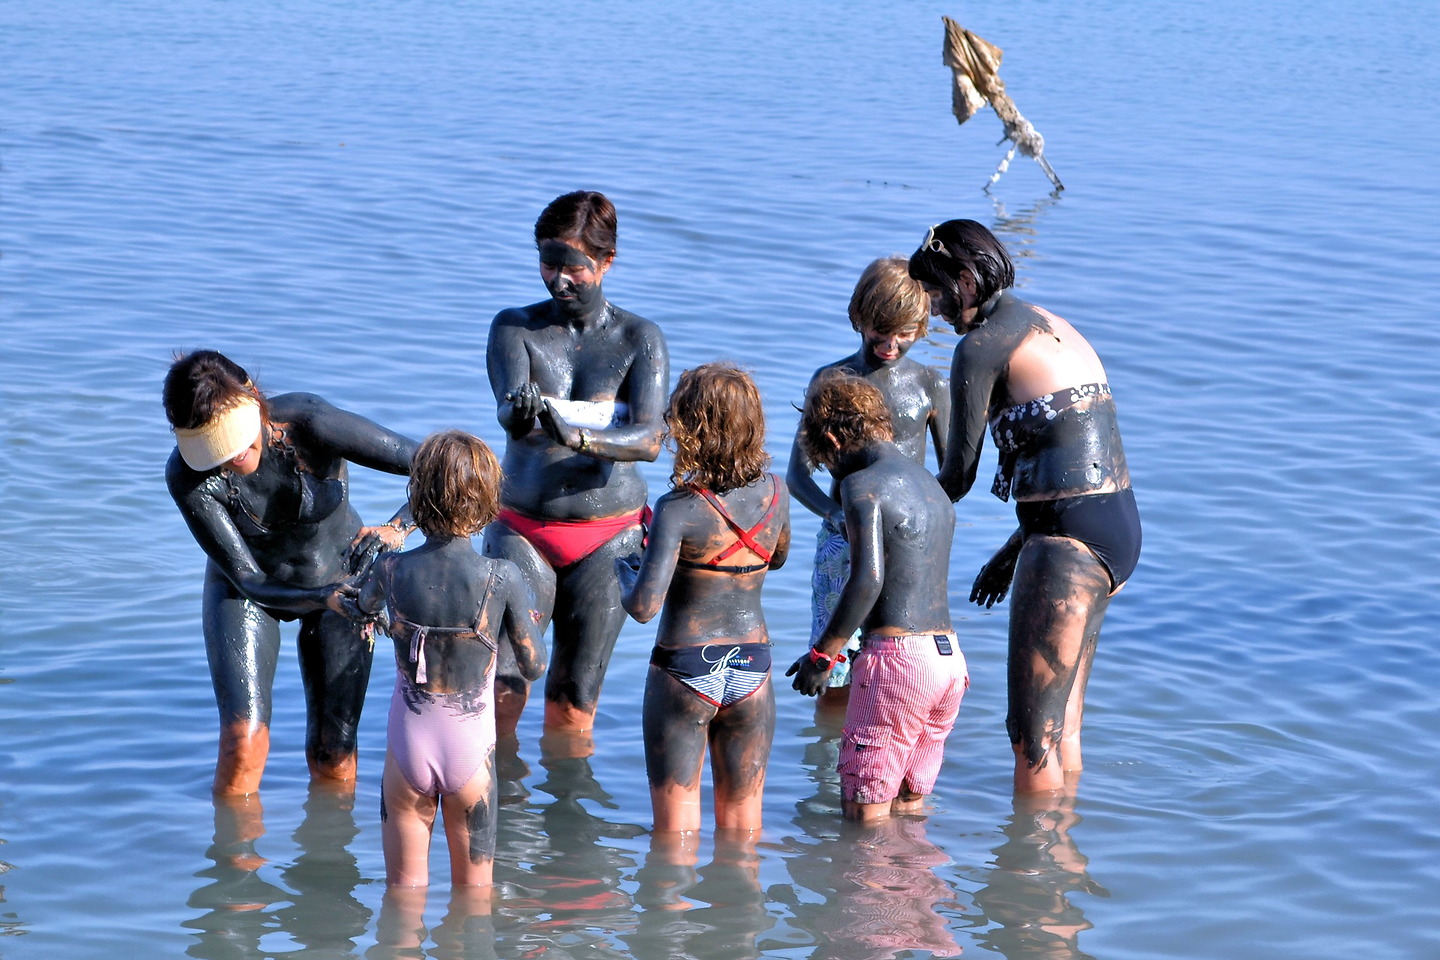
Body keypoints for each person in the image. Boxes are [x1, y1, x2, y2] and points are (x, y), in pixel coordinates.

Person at [908, 218, 1142, 794]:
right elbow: (1074, 471)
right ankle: (1061, 854)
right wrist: (1014, 551)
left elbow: (957, 478)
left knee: (1030, 735)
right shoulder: (1051, 325)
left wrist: (887, 491)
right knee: (1065, 730)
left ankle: (1032, 873)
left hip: (1067, 545)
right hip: (1114, 529)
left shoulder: (982, 347)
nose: (936, 312)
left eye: (936, 294)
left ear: (965, 281)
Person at [163, 350, 418, 796]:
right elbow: (246, 578)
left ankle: (327, 855)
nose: (233, 456)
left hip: (342, 576)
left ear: (255, 399)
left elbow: (433, 465)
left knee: (333, 753)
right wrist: (322, 596)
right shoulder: (185, 477)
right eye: (213, 450)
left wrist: (398, 529)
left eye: (235, 438)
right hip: (248, 589)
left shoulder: (310, 423)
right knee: (243, 742)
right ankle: (234, 860)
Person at [483, 190, 669, 753]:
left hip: (607, 535)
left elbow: (651, 439)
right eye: (548, 262)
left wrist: (581, 437)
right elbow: (509, 414)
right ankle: (503, 815)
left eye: (574, 267)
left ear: (606, 262)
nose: (559, 280)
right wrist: (517, 411)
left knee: (574, 695)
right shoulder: (514, 328)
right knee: (504, 682)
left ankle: (570, 827)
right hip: (524, 527)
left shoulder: (640, 339)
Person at [346, 431, 545, 887]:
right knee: (474, 901)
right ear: (488, 498)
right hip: (470, 754)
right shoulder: (502, 576)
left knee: (403, 896)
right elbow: (534, 665)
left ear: (418, 495)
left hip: (408, 749)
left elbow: (362, 607)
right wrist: (519, 625)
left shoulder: (390, 569)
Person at [617, 363, 790, 834]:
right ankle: (739, 906)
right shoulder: (777, 492)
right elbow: (775, 558)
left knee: (676, 837)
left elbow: (643, 607)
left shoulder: (677, 509)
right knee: (743, 829)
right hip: (754, 667)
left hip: (685, 669)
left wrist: (624, 569)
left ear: (690, 428)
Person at [787, 371, 967, 822]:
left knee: (864, 818)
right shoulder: (931, 486)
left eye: (825, 461)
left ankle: (864, 892)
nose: (830, 472)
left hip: (897, 664)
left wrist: (823, 655)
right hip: (947, 662)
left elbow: (867, 579)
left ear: (831, 438)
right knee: (908, 807)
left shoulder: (861, 486)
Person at [786, 257, 949, 717]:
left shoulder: (930, 385)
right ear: (858, 317)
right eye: (881, 330)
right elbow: (799, 476)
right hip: (844, 541)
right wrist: (833, 514)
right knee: (833, 673)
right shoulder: (831, 380)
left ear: (923, 327)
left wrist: (923, 527)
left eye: (906, 333)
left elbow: (951, 475)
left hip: (909, 545)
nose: (892, 344)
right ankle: (830, 775)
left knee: (896, 665)